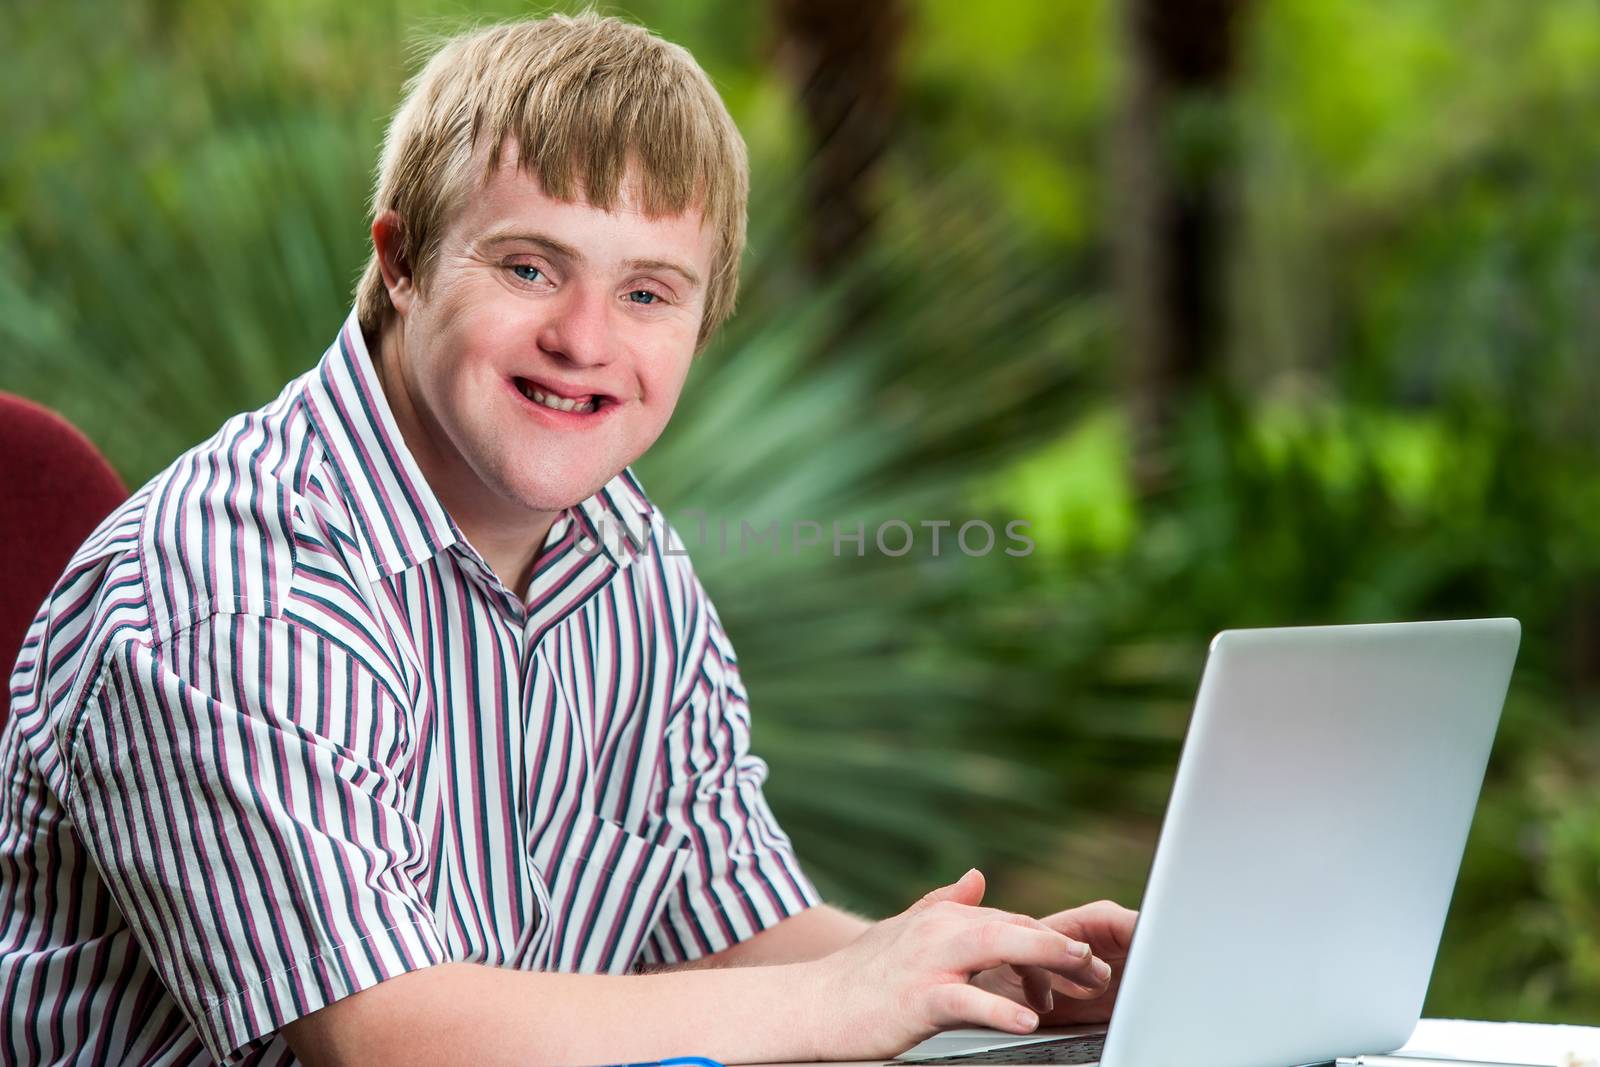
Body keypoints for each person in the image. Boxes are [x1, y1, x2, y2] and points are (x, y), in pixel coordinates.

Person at [0, 12, 1135, 1065]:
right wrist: (841, 999)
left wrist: (979, 977)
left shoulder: (623, 556)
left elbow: (722, 925)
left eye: (649, 293)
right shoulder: (228, 587)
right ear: (401, 260)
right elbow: (384, 1035)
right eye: (530, 266)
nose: (584, 338)